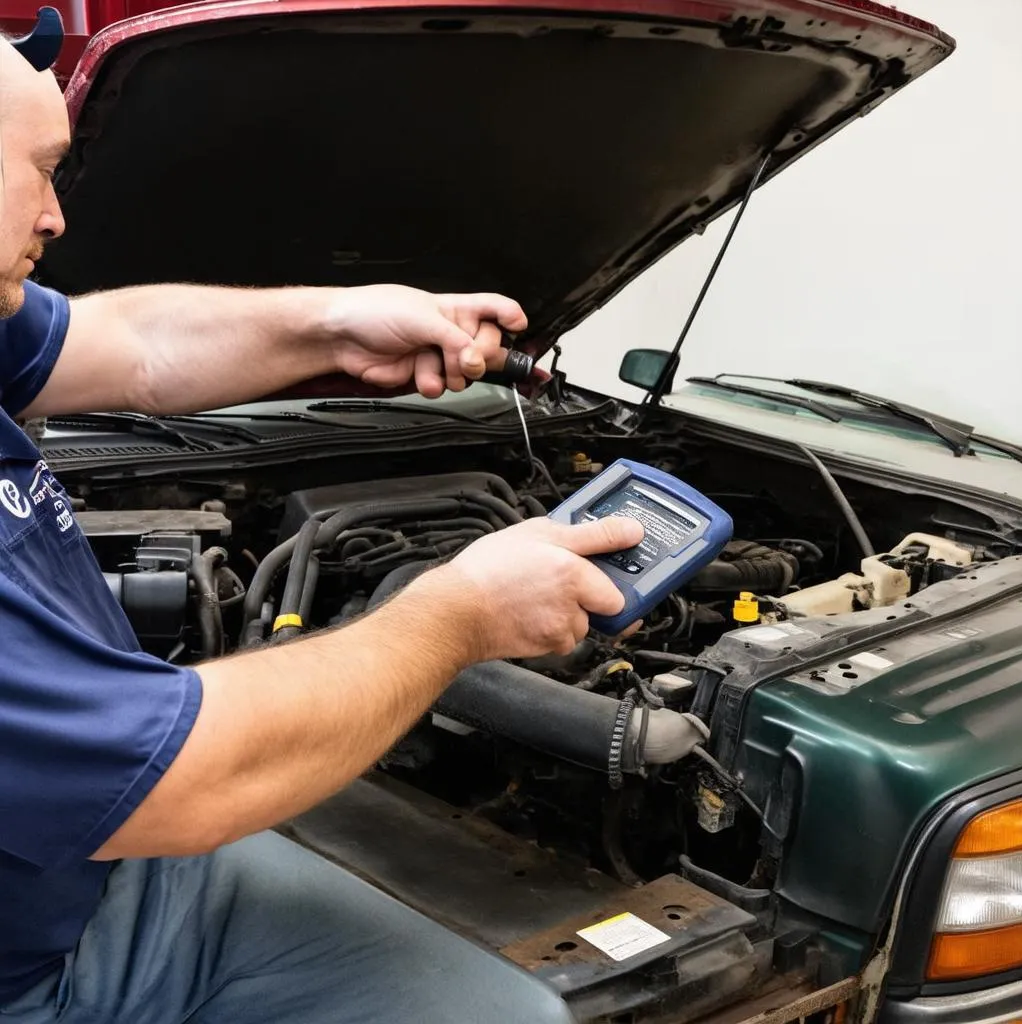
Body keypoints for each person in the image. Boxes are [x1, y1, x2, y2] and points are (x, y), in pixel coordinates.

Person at [0, 35, 643, 1024]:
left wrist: (334, 325)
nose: (58, 214)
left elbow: (127, 346)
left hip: (106, 872)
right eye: (42, 173)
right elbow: (180, 782)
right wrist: (458, 614)